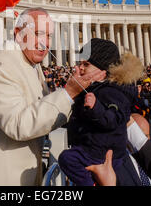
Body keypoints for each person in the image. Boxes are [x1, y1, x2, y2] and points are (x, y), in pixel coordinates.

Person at [0, 7, 106, 186]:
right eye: (39, 34)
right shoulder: (0, 64)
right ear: (18, 33)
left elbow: (41, 110)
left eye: (49, 36)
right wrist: (69, 93)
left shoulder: (30, 62)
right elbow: (18, 124)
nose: (45, 43)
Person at [58, 38, 144, 186]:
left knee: (67, 159)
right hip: (95, 148)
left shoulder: (112, 91)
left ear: (103, 71)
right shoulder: (97, 89)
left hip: (102, 152)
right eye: (80, 64)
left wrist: (95, 107)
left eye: (86, 64)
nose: (81, 68)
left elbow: (112, 118)